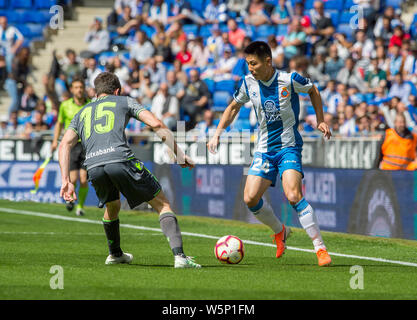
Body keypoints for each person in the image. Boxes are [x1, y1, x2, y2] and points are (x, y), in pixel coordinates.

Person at [207, 41, 332, 266]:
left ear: (268, 61)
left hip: (288, 147)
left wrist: (321, 120)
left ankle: (320, 248)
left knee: (293, 195)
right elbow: (233, 107)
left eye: (253, 63)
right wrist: (217, 133)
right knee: (250, 198)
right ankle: (279, 231)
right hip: (264, 150)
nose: (250, 68)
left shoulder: (289, 79)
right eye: (247, 64)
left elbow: (313, 90)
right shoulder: (248, 83)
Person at [58, 72, 201, 268]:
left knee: (112, 206)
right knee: (163, 205)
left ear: (96, 92)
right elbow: (156, 124)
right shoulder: (124, 101)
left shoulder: (81, 112)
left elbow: (65, 144)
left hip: (93, 165)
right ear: (117, 91)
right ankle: (180, 257)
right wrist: (179, 154)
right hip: (120, 159)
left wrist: (65, 179)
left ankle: (115, 254)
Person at [51, 77, 91, 216]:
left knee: (84, 179)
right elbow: (59, 124)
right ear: (72, 90)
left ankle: (80, 207)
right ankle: (71, 200)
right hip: (72, 146)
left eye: (81, 87)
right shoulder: (65, 105)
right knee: (73, 179)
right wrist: (55, 140)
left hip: (86, 145)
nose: (79, 90)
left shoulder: (90, 104)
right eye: (76, 87)